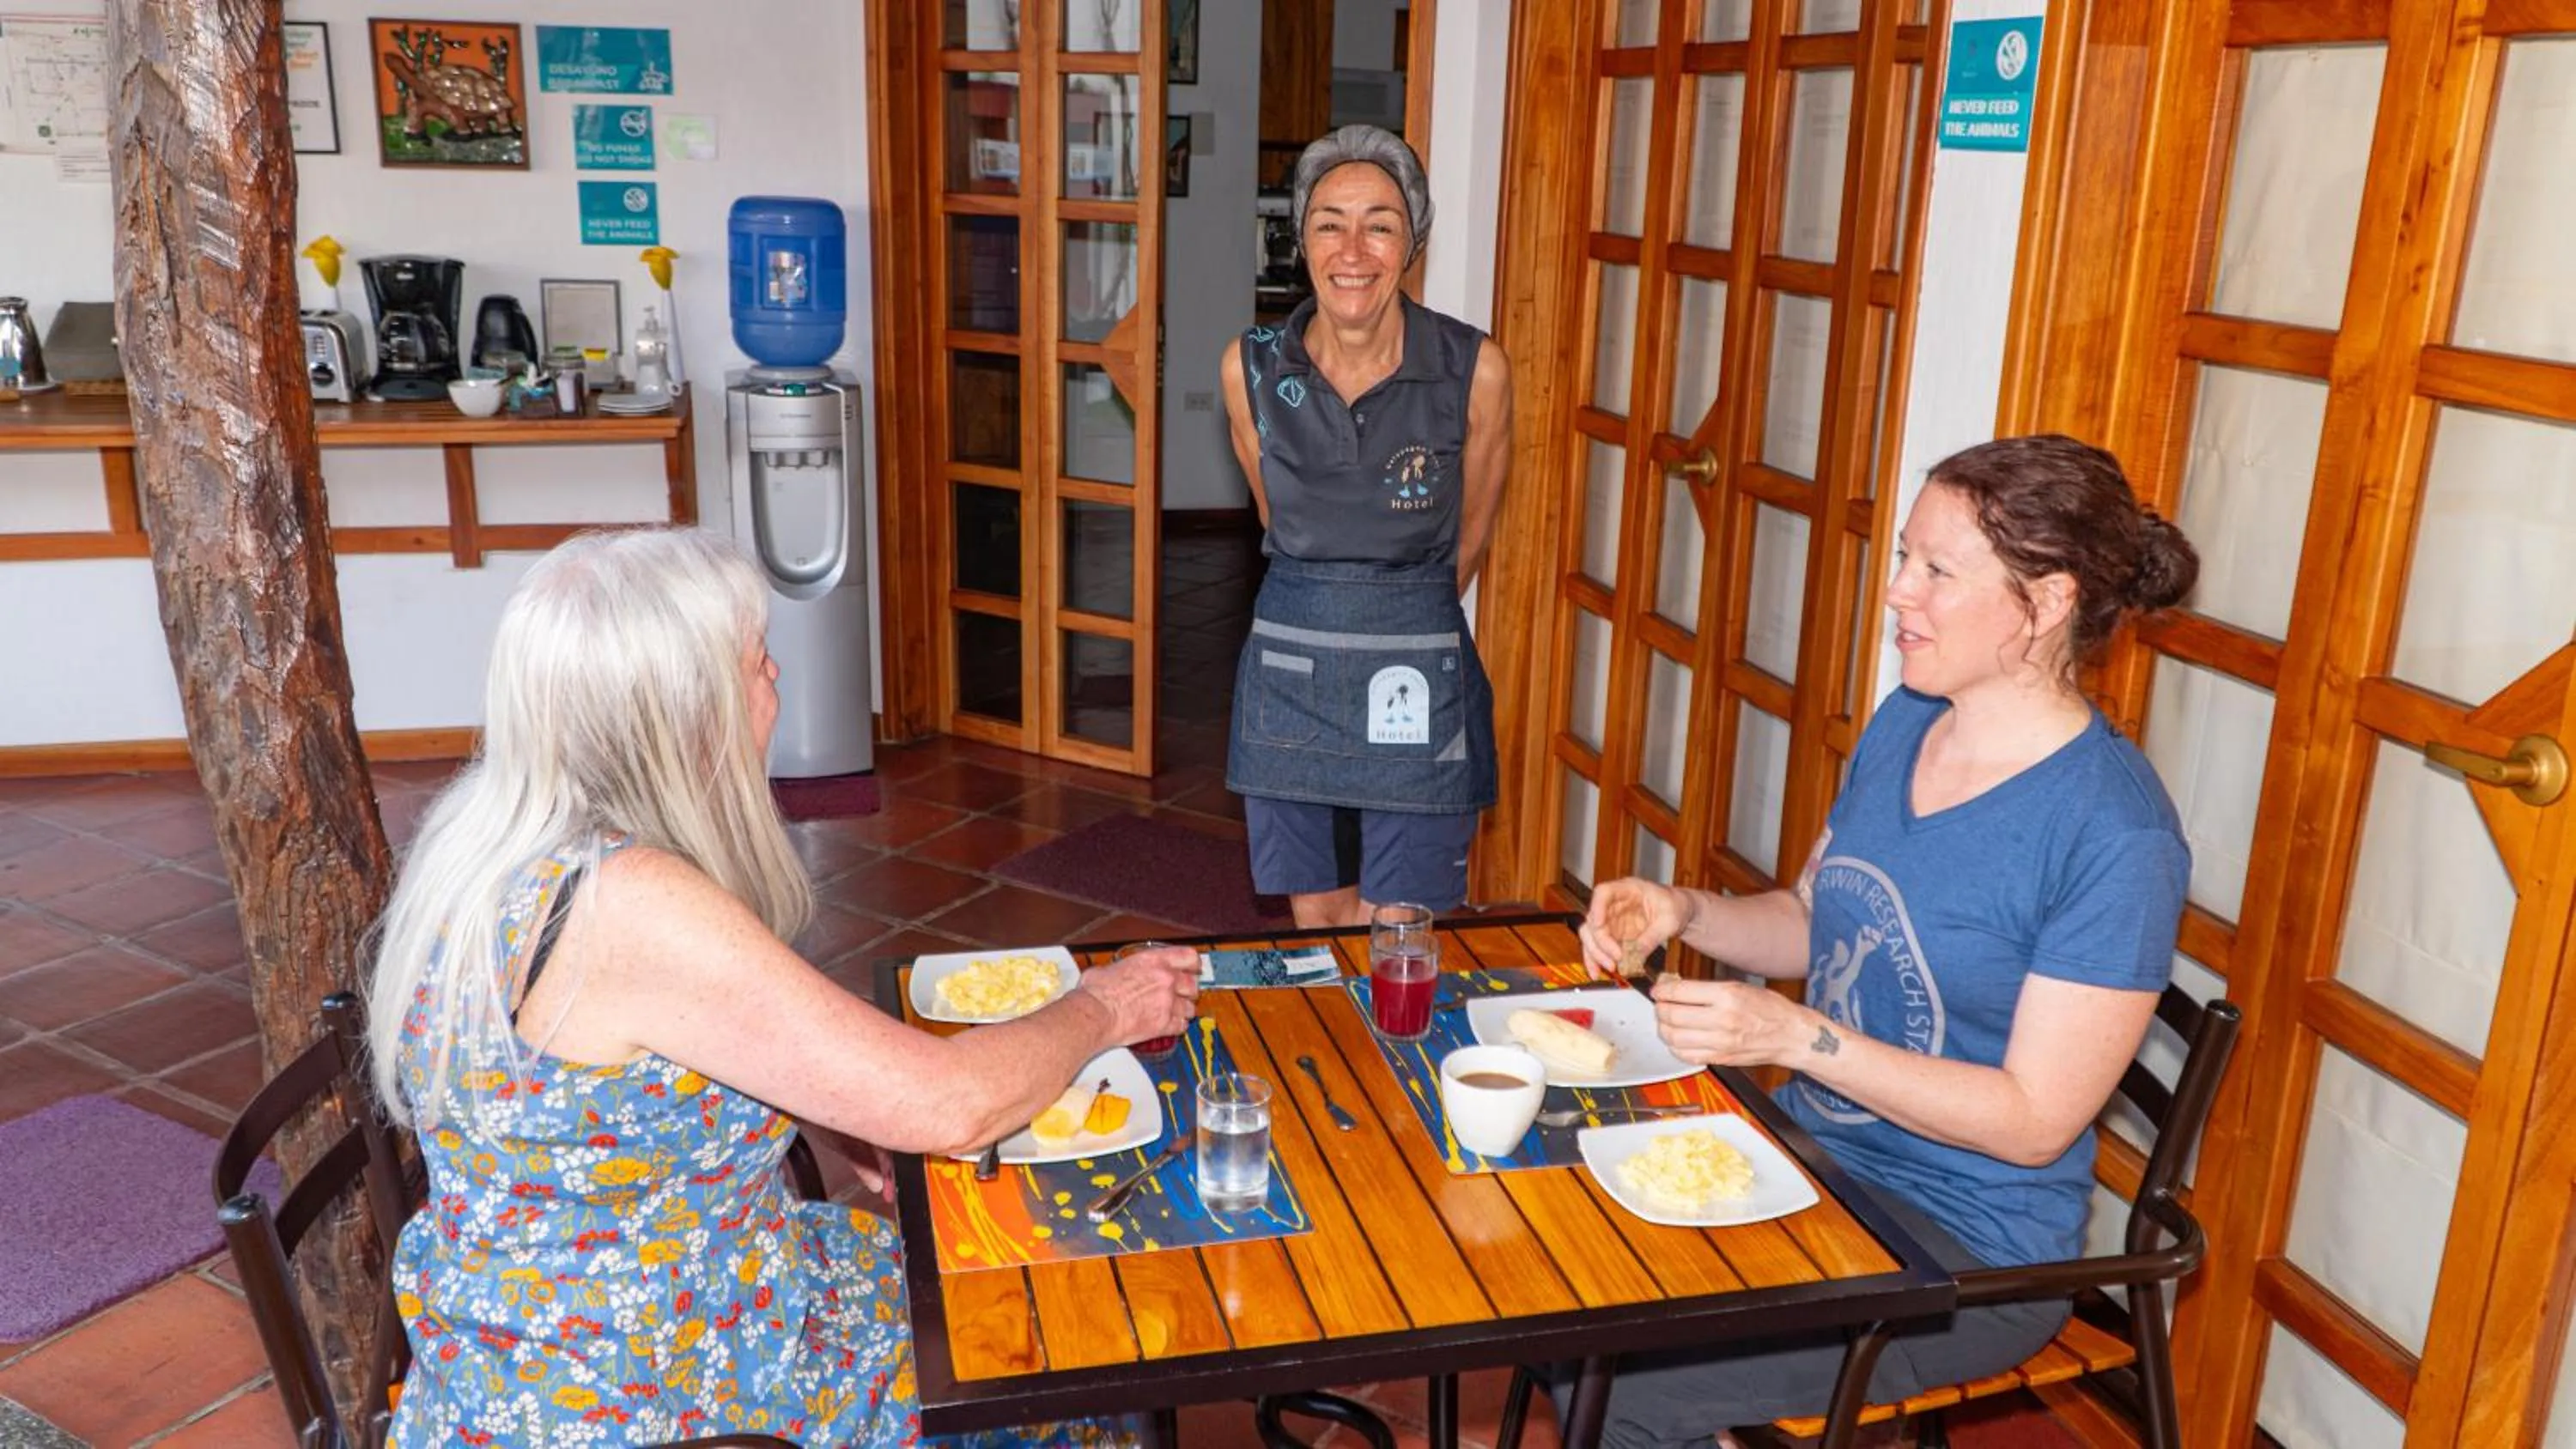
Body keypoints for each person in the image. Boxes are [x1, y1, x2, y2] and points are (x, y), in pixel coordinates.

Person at [363, 527, 1199, 1448]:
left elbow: (661, 1062)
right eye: (755, 663)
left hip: (537, 1341)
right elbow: (951, 1104)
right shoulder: (631, 903)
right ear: (686, 715)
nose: (775, 683)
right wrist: (1106, 1005)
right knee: (1046, 1334)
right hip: (652, 1395)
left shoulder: (482, 839)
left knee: (961, 1274)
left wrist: (839, 1110)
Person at [1564, 434, 2201, 1444]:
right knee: (1555, 1268)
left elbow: (2036, 1121)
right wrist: (1683, 908)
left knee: (1624, 1388)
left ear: (2047, 603)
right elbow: (1814, 920)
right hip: (1812, 1158)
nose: (1897, 591)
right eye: (1905, 555)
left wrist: (1795, 1040)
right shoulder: (1909, 720)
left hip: (1967, 1254)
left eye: (1936, 570)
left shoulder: (2114, 835)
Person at [1219, 123, 1515, 928]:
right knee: (1316, 916)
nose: (1353, 249)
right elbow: (1276, 514)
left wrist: (1395, 612)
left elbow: (1474, 532)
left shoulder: (1474, 368)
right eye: (1329, 223)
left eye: (1379, 223)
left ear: (1411, 241)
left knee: (1400, 930)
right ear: (1301, 241)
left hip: (1417, 672)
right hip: (1291, 670)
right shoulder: (1248, 367)